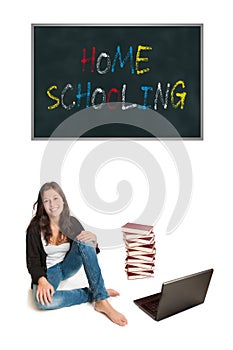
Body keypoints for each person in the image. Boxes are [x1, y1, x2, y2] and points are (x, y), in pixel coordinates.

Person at [26, 181, 128, 326]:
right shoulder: (35, 228)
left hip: (68, 266)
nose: (52, 204)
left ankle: (101, 301)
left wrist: (94, 241)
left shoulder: (72, 222)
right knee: (43, 302)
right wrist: (41, 280)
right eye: (46, 200)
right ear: (42, 205)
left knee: (85, 239)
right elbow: (33, 261)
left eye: (55, 198)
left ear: (63, 200)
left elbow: (87, 250)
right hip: (50, 271)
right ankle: (95, 293)